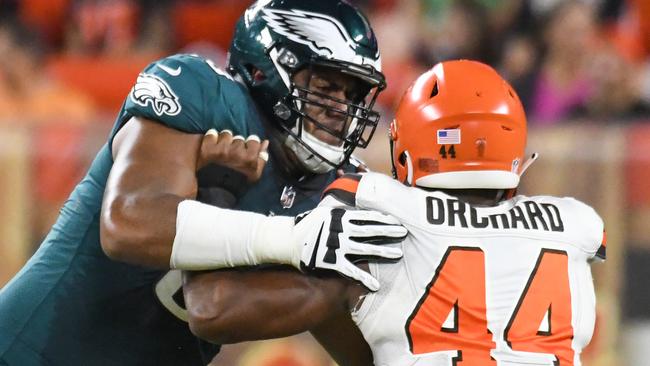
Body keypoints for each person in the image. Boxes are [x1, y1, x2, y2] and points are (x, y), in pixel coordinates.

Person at [0, 1, 404, 365]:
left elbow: (221, 309)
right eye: (325, 87)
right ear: (266, 70)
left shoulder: (332, 187)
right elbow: (128, 224)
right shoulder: (202, 93)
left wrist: (354, 284)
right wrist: (296, 239)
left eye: (353, 94)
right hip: (32, 349)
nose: (341, 111)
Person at [184, 60, 606, 366]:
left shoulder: (379, 207)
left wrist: (218, 189)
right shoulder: (575, 225)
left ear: (409, 144)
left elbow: (211, 310)